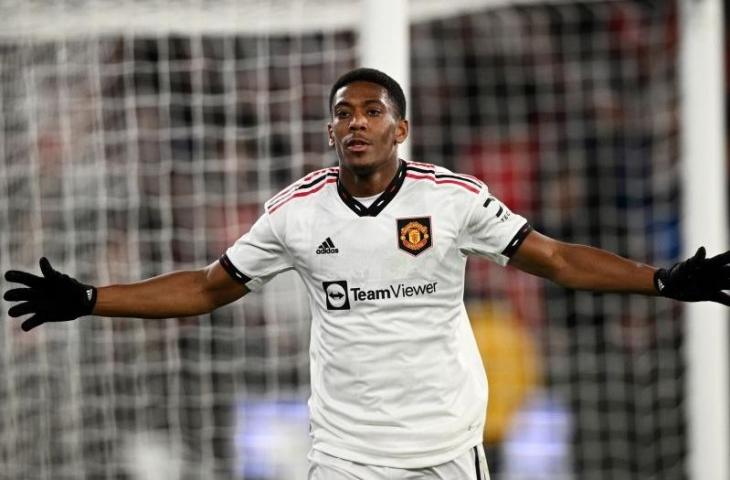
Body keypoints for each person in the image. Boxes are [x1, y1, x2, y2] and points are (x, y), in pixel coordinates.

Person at [4, 67, 730, 480]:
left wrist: (659, 281)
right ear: (330, 131)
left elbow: (559, 259)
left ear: (399, 128)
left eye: (372, 110)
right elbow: (206, 286)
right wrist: (93, 299)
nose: (355, 121)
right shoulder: (295, 213)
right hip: (346, 457)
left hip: (446, 451)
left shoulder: (453, 200)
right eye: (342, 113)